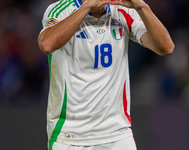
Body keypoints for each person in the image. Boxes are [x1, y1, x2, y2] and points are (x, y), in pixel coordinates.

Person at [38, 0, 174, 149]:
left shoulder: (123, 11)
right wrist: (87, 6)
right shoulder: (60, 10)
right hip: (71, 134)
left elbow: (165, 47)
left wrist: (142, 7)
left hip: (117, 133)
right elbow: (47, 44)